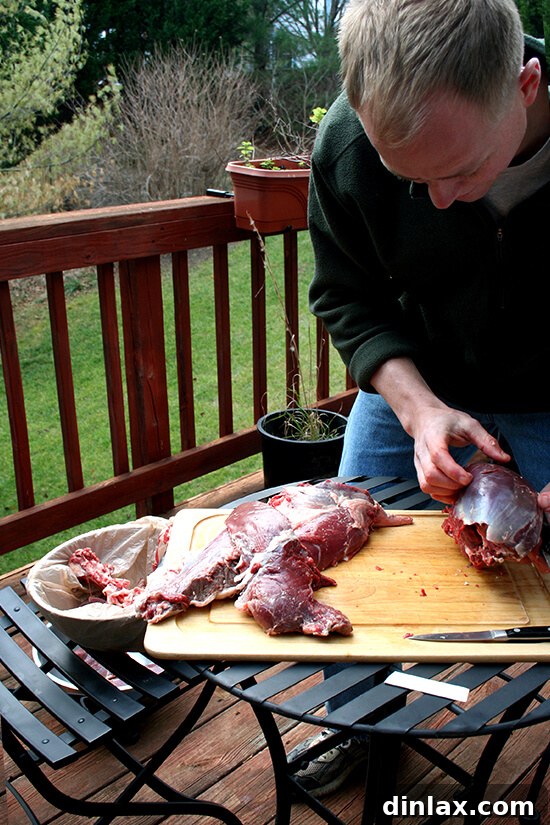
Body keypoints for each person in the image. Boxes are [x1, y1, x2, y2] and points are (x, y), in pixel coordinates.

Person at [287, 0, 550, 799]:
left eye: (463, 170)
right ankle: (361, 730)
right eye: (411, 180)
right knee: (355, 575)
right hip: (418, 380)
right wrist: (418, 409)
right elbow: (348, 297)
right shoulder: (346, 145)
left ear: (527, 84)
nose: (436, 202)